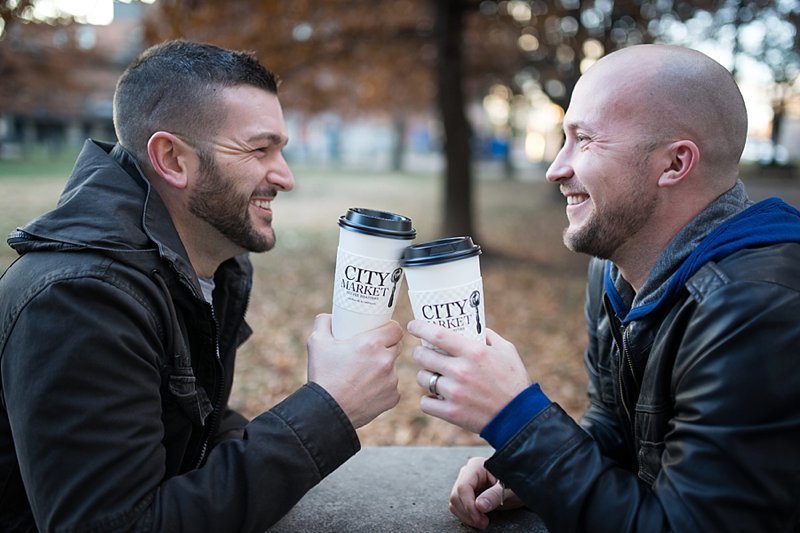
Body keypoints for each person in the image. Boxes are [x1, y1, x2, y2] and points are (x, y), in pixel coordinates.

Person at [0, 40, 404, 532]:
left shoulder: (207, 267)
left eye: (281, 150)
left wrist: (322, 408)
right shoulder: (81, 298)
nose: (286, 176)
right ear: (172, 159)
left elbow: (191, 438)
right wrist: (328, 408)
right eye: (259, 149)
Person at [408, 44, 800, 531]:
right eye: (564, 138)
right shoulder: (616, 270)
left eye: (585, 141)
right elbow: (618, 431)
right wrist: (525, 468)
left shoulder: (756, 308)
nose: (556, 168)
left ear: (674, 164)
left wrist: (517, 419)